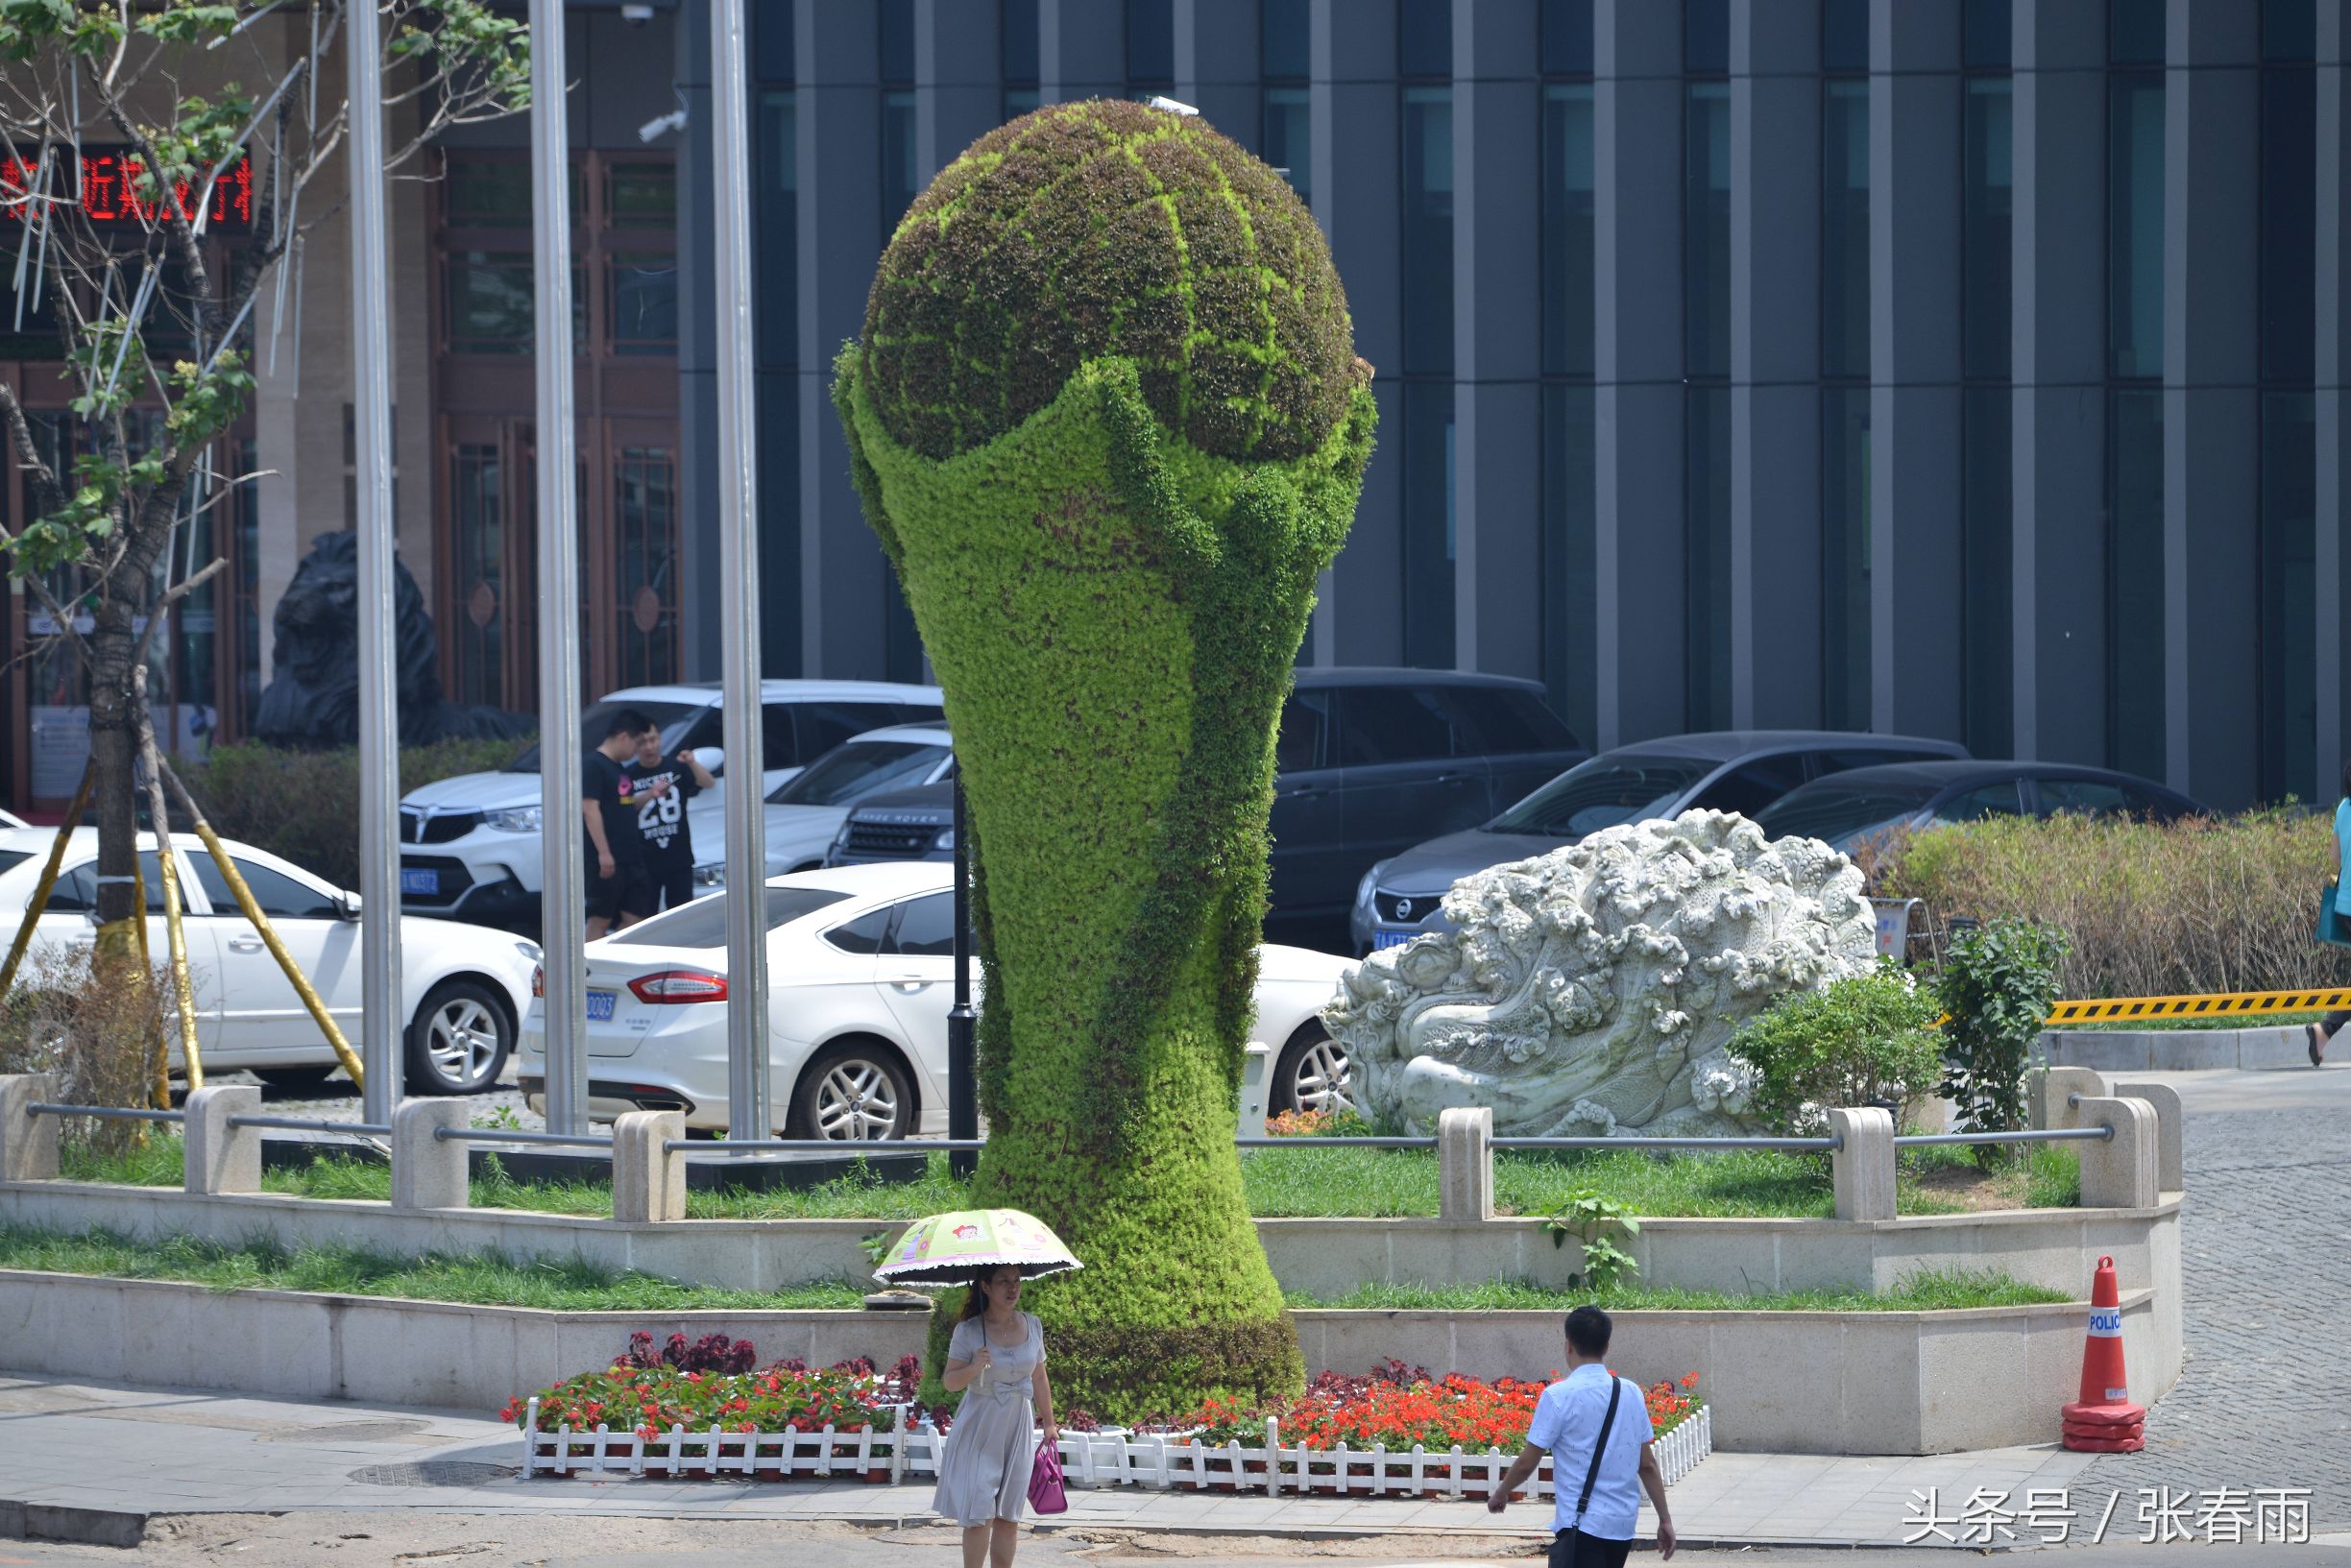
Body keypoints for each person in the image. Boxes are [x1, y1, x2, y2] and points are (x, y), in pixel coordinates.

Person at [1488, 1305, 1677, 1566]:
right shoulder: (1630, 1392)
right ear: (1607, 1346)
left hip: (1581, 1526)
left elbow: (1526, 1463)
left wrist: (1501, 1492)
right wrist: (1664, 1519)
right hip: (1621, 1525)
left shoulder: (1558, 1396)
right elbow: (1647, 1464)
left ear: (1568, 1345)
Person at [935, 1266, 1059, 1568]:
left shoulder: (1033, 1325)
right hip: (980, 1424)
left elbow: (1040, 1377)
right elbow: (950, 1382)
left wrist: (1050, 1422)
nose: (1013, 1287)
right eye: (1004, 1281)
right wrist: (974, 1366)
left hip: (1018, 1424)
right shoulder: (968, 1331)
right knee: (980, 1511)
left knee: (1008, 1514)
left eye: (1016, 1280)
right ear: (986, 1287)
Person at [623, 731, 717, 916]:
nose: (649, 747)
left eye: (653, 740)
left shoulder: (675, 767)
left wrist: (691, 762)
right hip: (645, 860)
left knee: (683, 914)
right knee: (646, 915)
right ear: (635, 745)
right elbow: (623, 808)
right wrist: (651, 793)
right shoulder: (627, 775)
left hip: (678, 857)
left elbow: (708, 783)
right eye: (642, 742)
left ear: (659, 740)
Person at [583, 710, 656, 940]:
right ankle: (587, 969)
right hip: (607, 857)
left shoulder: (620, 769)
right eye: (637, 743)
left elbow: (625, 805)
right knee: (600, 918)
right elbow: (589, 808)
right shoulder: (594, 765)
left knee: (635, 917)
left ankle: (613, 956)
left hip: (631, 856)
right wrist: (604, 854)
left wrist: (650, 795)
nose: (637, 750)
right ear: (624, 737)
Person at [2312, 759, 2351, 1067]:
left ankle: (2323, 1033)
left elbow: (2335, 856)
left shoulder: (2342, 809)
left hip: (2344, 907)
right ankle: (2324, 1030)